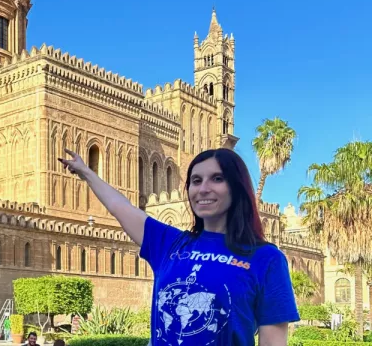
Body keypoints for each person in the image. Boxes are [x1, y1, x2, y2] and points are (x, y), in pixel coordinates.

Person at [59, 148, 299, 345]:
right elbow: (121, 207)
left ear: (237, 188)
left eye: (217, 178)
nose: (203, 188)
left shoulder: (266, 259)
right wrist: (86, 172)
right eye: (196, 180)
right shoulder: (169, 244)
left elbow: (273, 342)